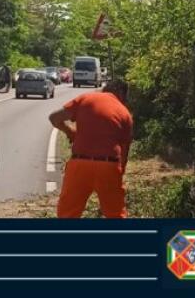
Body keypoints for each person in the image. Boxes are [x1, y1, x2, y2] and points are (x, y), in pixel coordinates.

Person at [48, 78, 133, 218]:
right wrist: (119, 174)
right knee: (116, 215)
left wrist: (70, 132)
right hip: (109, 165)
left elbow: (54, 118)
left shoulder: (86, 98)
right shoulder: (125, 113)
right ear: (121, 93)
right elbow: (124, 153)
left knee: (67, 215)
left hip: (79, 164)